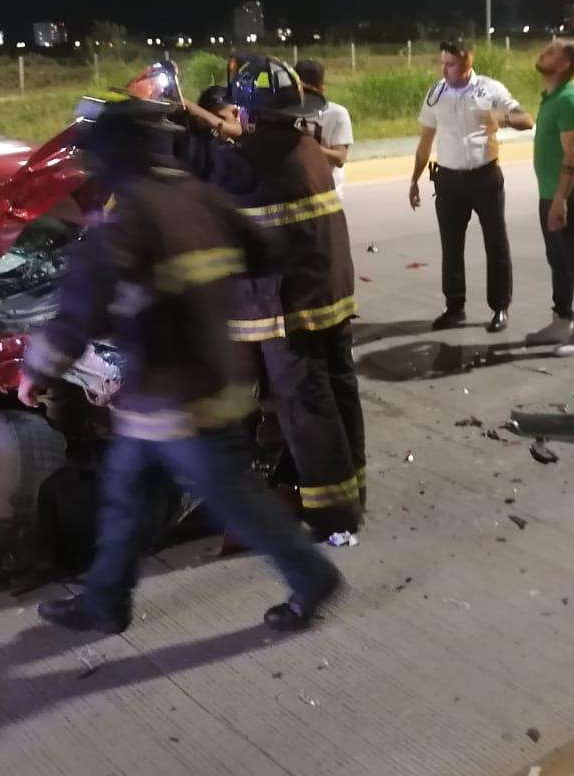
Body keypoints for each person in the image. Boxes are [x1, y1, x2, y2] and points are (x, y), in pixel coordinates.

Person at [21, 72, 341, 636]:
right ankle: (106, 600)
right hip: (214, 381)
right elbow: (268, 253)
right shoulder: (202, 197)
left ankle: (310, 574)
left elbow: (76, 319)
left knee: (234, 501)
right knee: (128, 499)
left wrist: (36, 372)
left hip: (172, 402)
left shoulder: (123, 226)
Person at [228, 54, 367, 537]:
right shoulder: (305, 146)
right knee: (339, 389)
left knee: (307, 406)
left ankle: (332, 514)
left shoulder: (250, 158)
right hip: (329, 290)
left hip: (293, 303)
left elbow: (207, 168)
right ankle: (354, 491)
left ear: (248, 114)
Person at [409, 40, 532, 333]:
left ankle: (500, 307)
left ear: (467, 61)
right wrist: (414, 179)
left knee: (496, 243)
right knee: (451, 247)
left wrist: (499, 117)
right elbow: (425, 141)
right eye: (442, 62)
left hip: (484, 177)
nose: (444, 69)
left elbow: (526, 120)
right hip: (449, 181)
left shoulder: (490, 89)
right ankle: (454, 308)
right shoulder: (435, 94)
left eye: (450, 63)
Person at [525, 38, 574, 356]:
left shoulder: (571, 100)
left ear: (565, 63)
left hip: (570, 196)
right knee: (557, 260)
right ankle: (561, 319)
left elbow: (573, 155)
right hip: (551, 193)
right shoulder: (553, 95)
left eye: (553, 50)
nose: (545, 51)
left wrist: (560, 200)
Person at [294, 58, 354, 199]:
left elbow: (340, 158)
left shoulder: (337, 113)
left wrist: (305, 145)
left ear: (321, 89)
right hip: (294, 192)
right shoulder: (285, 111)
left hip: (326, 194)